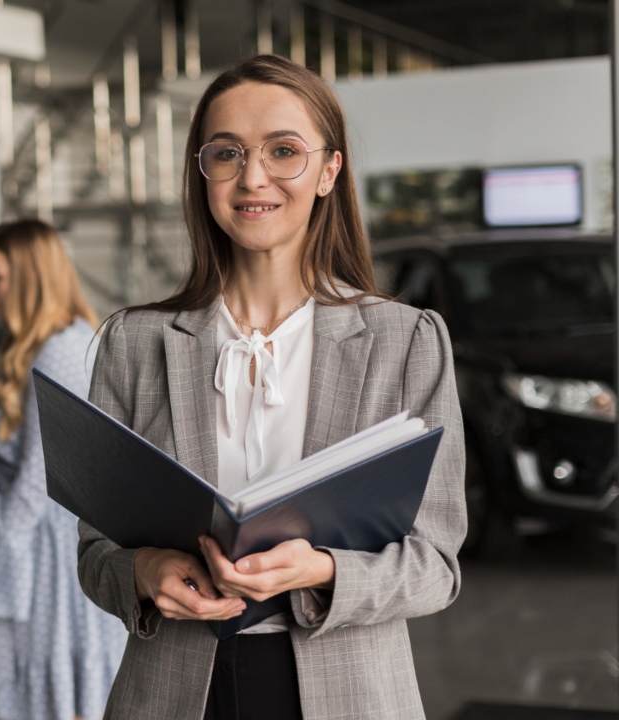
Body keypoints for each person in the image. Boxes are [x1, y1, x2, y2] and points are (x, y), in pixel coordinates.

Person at [75, 54, 465, 720]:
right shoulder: (133, 342)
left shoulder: (407, 341)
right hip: (172, 694)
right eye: (226, 153)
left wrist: (322, 570)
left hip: (349, 693)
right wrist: (143, 575)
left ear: (329, 171)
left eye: (283, 151)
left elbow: (435, 565)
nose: (252, 177)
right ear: (202, 173)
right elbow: (95, 554)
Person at [0, 219, 128, 720]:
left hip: (52, 561)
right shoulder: (39, 345)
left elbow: (40, 480)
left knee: (64, 700)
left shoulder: (60, 351)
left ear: (30, 276)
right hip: (37, 555)